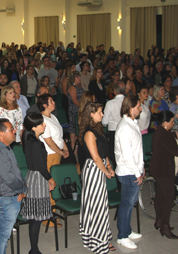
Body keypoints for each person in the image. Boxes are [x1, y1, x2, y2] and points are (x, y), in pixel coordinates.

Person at [150, 111, 178, 239]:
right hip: (163, 169)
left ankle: (159, 220)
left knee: (160, 194)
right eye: (171, 121)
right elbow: (176, 151)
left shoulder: (160, 132)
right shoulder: (165, 135)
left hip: (158, 167)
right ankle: (165, 226)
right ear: (165, 122)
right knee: (168, 197)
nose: (173, 123)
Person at [79, 102, 115, 253]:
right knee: (97, 205)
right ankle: (99, 242)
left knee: (100, 205)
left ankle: (102, 237)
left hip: (100, 168)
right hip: (93, 170)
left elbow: (103, 152)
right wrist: (106, 171)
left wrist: (109, 166)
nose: (102, 115)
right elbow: (95, 157)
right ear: (91, 114)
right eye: (100, 112)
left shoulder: (98, 129)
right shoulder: (89, 133)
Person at [0, 119, 28, 254]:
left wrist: (22, 189)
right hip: (5, 199)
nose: (14, 131)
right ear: (1, 134)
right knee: (3, 236)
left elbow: (16, 172)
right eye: (11, 129)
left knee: (4, 234)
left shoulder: (5, 148)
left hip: (10, 197)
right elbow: (10, 179)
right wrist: (23, 189)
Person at [19, 112, 56, 254]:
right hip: (38, 178)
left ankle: (34, 248)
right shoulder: (35, 143)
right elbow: (41, 166)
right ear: (33, 127)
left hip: (34, 177)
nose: (44, 125)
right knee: (36, 217)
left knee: (35, 217)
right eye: (41, 123)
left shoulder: (30, 140)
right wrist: (50, 179)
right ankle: (34, 249)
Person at [115, 96, 144, 250]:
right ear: (131, 108)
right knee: (126, 204)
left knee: (130, 203)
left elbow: (137, 150)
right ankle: (122, 236)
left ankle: (127, 230)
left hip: (134, 170)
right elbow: (127, 156)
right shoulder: (125, 128)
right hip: (128, 172)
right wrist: (137, 173)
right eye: (138, 106)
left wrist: (141, 167)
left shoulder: (132, 123)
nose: (140, 109)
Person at [37, 93, 69, 227]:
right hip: (50, 154)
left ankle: (54, 212)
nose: (54, 103)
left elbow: (59, 136)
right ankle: (47, 216)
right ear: (44, 105)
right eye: (51, 101)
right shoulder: (42, 119)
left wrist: (65, 149)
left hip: (57, 154)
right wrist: (61, 151)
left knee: (54, 184)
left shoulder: (53, 117)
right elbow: (49, 141)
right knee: (49, 185)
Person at [102, 81, 126, 166]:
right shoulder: (128, 101)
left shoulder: (110, 103)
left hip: (114, 131)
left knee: (116, 154)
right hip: (126, 130)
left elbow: (104, 122)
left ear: (115, 91)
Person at [68, 70, 85, 153]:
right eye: (77, 77)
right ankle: (73, 148)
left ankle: (78, 147)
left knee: (79, 129)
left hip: (80, 110)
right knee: (73, 129)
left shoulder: (80, 86)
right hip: (74, 110)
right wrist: (83, 107)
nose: (79, 78)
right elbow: (74, 100)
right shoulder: (72, 87)